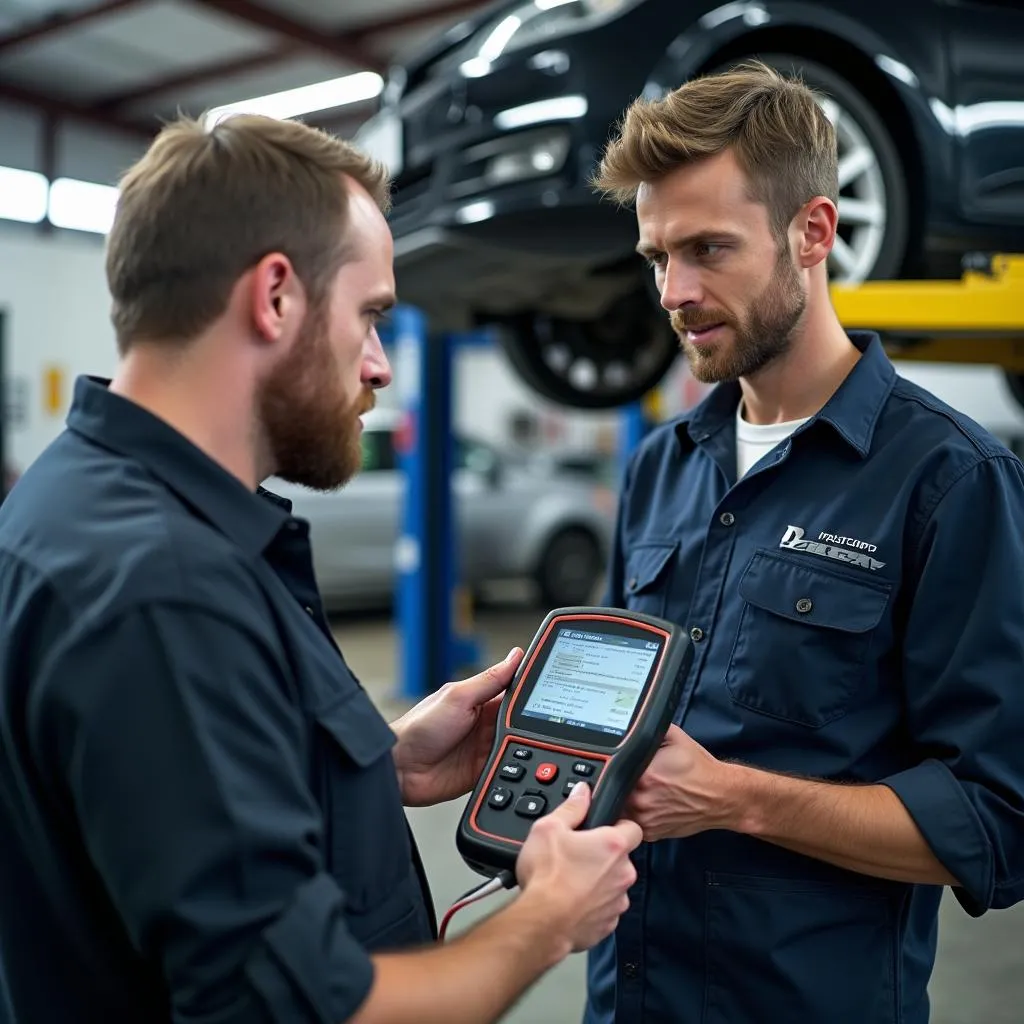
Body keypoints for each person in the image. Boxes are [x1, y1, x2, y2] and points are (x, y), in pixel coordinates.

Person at [0, 113, 643, 1024]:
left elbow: (159, 821)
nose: (379, 366)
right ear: (275, 297)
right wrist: (546, 917)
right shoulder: (162, 587)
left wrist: (376, 772)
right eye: (372, 315)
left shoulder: (66, 506)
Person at [584, 60, 1024, 1024]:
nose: (673, 290)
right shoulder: (661, 465)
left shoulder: (949, 481)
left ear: (813, 233)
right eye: (657, 256)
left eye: (708, 249)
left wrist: (735, 798)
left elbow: (994, 823)